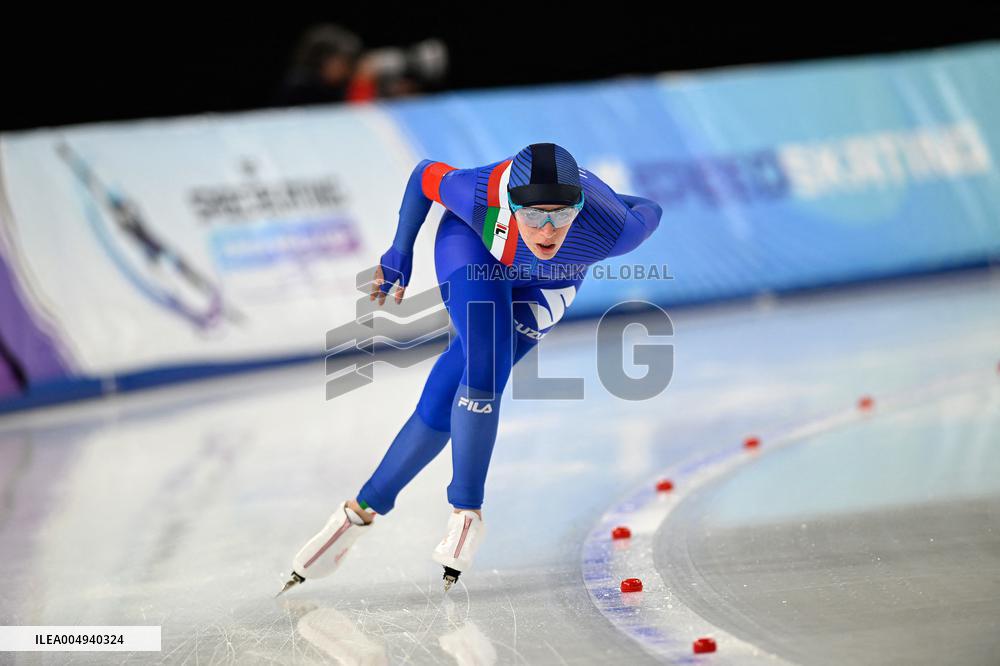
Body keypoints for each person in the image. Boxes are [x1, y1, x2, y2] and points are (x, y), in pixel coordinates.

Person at [279, 143, 662, 595]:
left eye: (561, 214)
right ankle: (466, 511)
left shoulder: (614, 228)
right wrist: (401, 250)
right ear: (510, 202)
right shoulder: (477, 193)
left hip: (553, 282)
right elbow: (425, 175)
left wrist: (604, 198)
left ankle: (359, 511)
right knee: (486, 360)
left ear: (578, 206)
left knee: (454, 392)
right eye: (534, 213)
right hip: (473, 249)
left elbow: (649, 207)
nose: (547, 229)